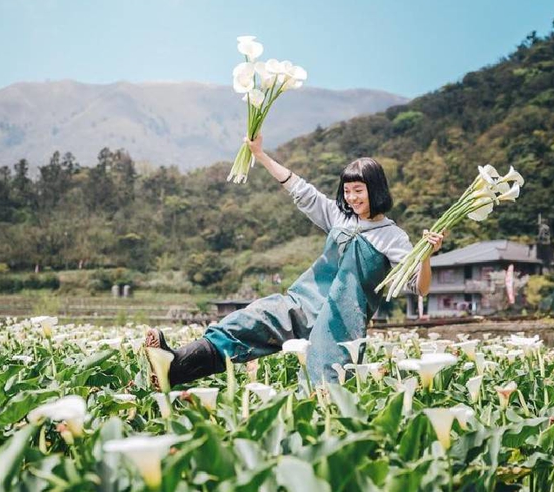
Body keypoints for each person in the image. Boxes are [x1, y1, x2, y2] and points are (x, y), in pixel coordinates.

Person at [145, 135, 444, 386]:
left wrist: (426, 257)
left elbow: (420, 288)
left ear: (375, 190)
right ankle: (173, 367)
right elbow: (301, 190)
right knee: (247, 322)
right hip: (302, 303)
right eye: (348, 191)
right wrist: (259, 154)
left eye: (359, 191)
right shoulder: (339, 217)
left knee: (322, 383)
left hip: (340, 322)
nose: (352, 198)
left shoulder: (393, 237)